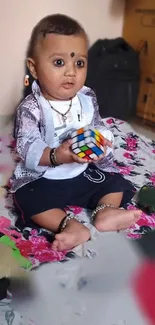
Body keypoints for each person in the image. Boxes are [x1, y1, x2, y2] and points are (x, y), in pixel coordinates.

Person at [10, 14, 141, 251]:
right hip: (46, 178)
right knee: (25, 197)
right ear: (35, 68)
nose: (71, 72)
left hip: (82, 173)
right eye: (59, 63)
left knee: (115, 182)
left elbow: (97, 125)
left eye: (79, 63)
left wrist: (102, 141)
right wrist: (57, 155)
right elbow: (26, 145)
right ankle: (68, 225)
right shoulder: (32, 108)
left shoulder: (87, 98)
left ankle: (106, 212)